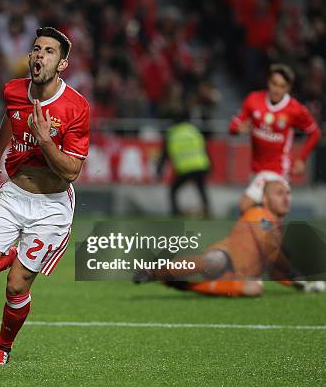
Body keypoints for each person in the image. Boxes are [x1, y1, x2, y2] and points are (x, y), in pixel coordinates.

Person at [0, 27, 90, 365]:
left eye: (49, 51)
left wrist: (45, 140)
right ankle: (8, 254)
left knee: (17, 286)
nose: (40, 55)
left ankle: (1, 347)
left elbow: (71, 172)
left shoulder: (76, 107)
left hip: (51, 207)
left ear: (62, 64)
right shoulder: (13, 90)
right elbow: (10, 116)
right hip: (14, 195)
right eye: (37, 49)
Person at [133, 179, 324, 296]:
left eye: (288, 193)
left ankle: (187, 286)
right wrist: (291, 271)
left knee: (255, 289)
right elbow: (269, 250)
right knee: (213, 261)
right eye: (280, 193)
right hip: (226, 257)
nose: (286, 198)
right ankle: (153, 272)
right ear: (265, 199)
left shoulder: (275, 226)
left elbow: (273, 268)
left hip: (239, 274)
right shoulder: (260, 214)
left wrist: (296, 284)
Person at [229, 64, 322, 214]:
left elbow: (315, 132)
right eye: (274, 84)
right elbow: (234, 124)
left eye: (282, 86)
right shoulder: (253, 100)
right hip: (256, 169)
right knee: (266, 215)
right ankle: (267, 236)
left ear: (288, 88)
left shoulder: (295, 109)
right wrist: (237, 129)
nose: (276, 89)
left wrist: (302, 159)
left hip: (278, 169)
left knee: (245, 206)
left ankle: (260, 235)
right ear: (268, 82)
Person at [157, 112, 211, 217]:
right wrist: (210, 165)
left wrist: (159, 168)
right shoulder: (193, 130)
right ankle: (207, 210)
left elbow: (165, 153)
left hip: (185, 167)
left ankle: (175, 212)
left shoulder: (172, 133)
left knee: (173, 190)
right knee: (201, 188)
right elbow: (203, 148)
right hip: (200, 165)